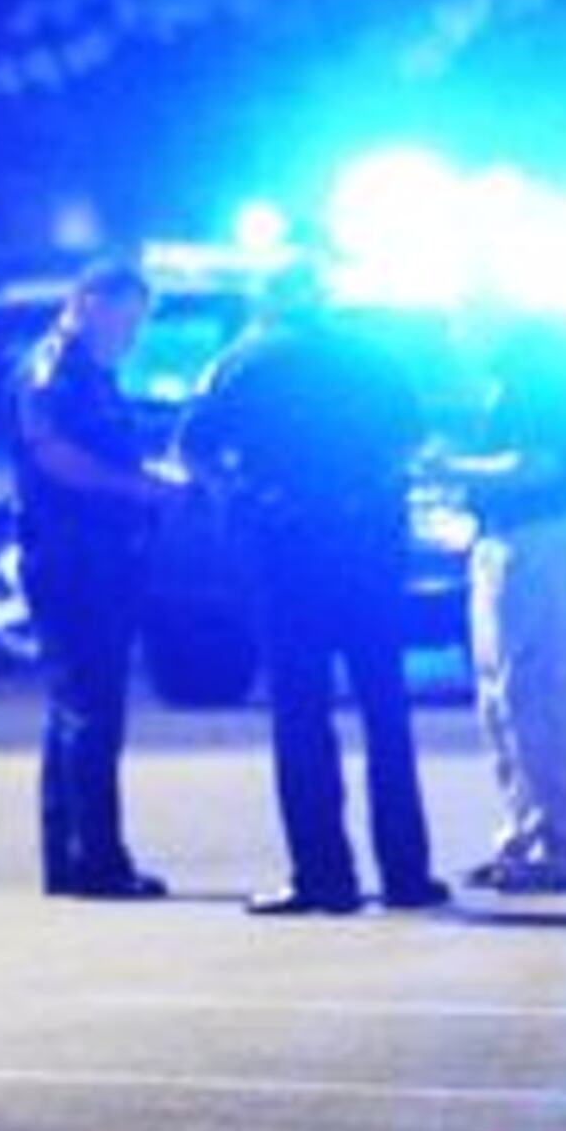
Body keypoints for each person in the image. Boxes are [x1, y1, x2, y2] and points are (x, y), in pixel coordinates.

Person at [182, 267, 447, 916]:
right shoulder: (374, 358)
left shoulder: (242, 360)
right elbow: (414, 439)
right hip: (368, 551)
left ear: (268, 300)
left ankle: (323, 876)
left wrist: (243, 497)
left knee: (302, 717)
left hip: (287, 553)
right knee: (386, 712)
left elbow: (195, 448)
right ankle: (407, 873)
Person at [13, 259, 184, 900]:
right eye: (123, 318)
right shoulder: (54, 370)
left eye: (137, 323)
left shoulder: (92, 373)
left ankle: (73, 859)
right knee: (91, 709)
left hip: (94, 555)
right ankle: (97, 862)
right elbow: (54, 456)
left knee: (77, 707)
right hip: (73, 559)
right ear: (85, 303)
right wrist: (138, 489)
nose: (130, 335)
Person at [437, 318, 566, 892]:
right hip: (502, 542)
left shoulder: (540, 383)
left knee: (537, 697)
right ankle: (523, 837)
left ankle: (559, 846)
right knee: (501, 702)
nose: (457, 334)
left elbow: (539, 465)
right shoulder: (509, 384)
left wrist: (452, 467)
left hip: (536, 542)